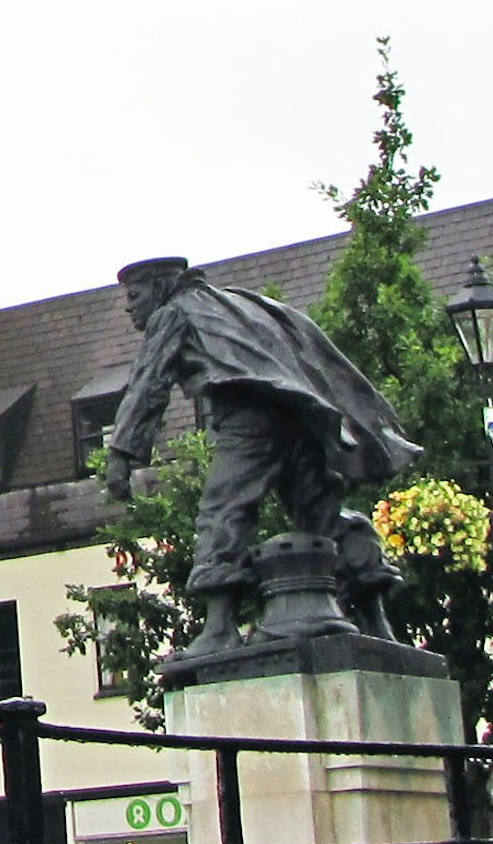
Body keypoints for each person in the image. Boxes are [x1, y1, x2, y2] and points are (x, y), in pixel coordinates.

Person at [104, 256, 424, 660]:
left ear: (161, 286)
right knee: (321, 513)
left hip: (249, 418)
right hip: (296, 411)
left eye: (134, 295)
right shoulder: (237, 303)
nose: (129, 306)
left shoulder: (175, 313)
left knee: (222, 509)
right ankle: (374, 616)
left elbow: (148, 384)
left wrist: (120, 453)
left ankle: (220, 627)